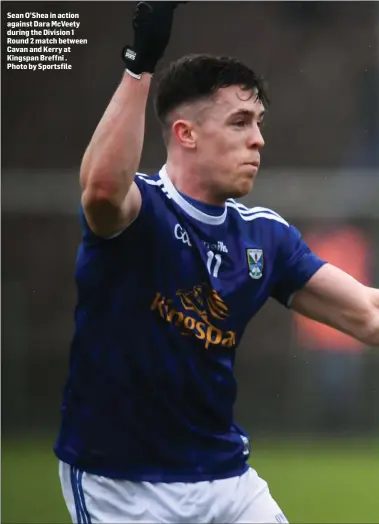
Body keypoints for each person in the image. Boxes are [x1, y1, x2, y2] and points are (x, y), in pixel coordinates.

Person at [54, 3, 379, 523]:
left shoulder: (264, 236)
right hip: (121, 484)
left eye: (259, 122)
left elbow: (367, 312)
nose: (258, 139)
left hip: (226, 480)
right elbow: (102, 189)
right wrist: (140, 64)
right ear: (186, 134)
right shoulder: (140, 212)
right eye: (240, 122)